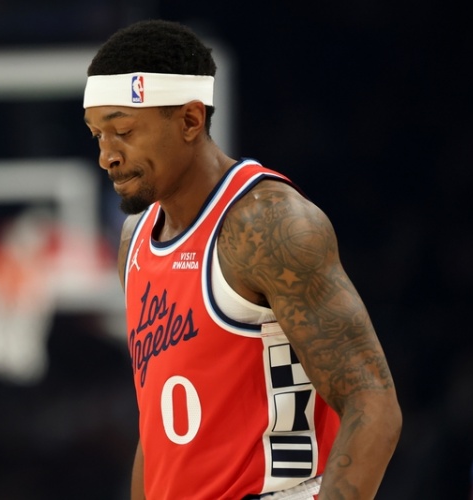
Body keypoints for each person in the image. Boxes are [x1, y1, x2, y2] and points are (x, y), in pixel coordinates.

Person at [82, 19, 402, 499]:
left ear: (190, 121)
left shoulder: (267, 224)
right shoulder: (135, 240)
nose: (107, 155)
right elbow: (158, 437)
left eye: (123, 131)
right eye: (97, 136)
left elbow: (372, 403)